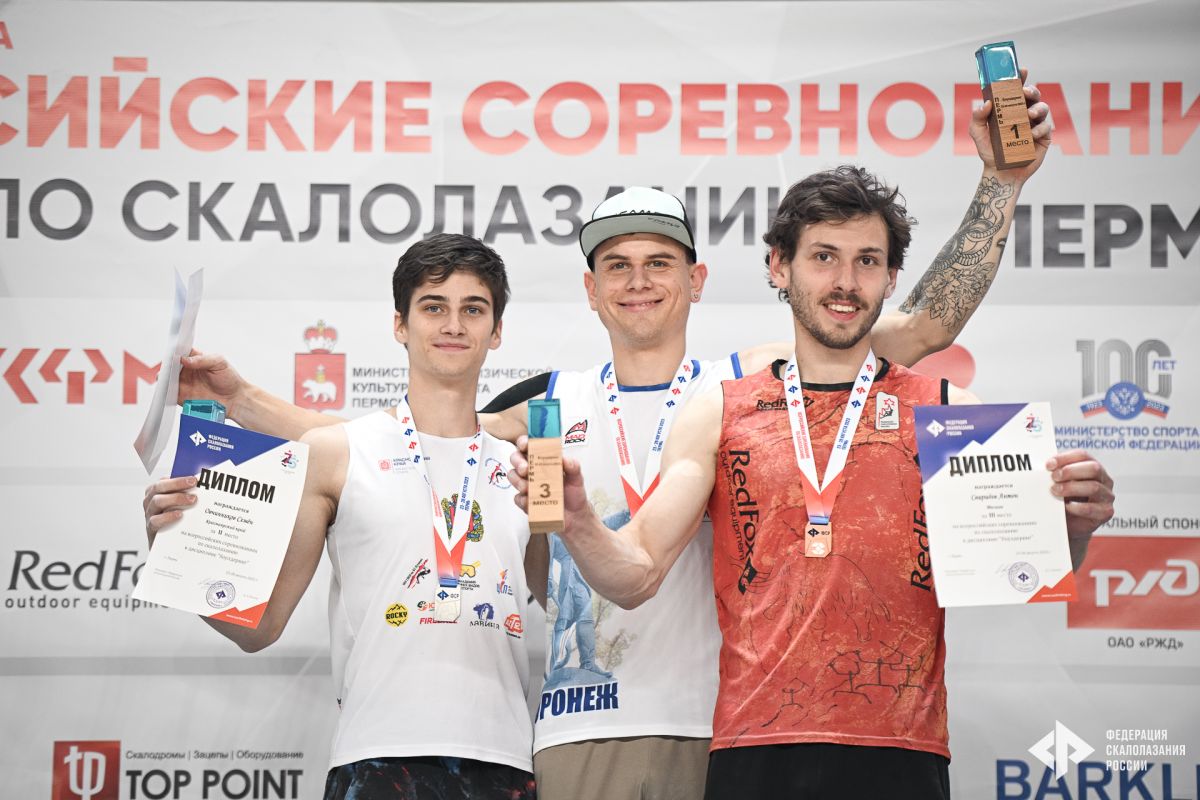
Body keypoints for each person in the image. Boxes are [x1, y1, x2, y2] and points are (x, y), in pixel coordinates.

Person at [145, 74, 1054, 800]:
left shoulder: (750, 382)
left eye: (660, 263)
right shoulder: (549, 404)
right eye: (616, 266)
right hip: (576, 728)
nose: (638, 282)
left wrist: (1000, 184)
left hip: (715, 726)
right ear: (590, 290)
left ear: (697, 279)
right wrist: (245, 400)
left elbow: (923, 325)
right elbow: (401, 444)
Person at [507, 165, 1116, 800]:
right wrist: (578, 521)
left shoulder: (947, 412)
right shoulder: (721, 410)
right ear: (780, 267)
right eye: (824, 257)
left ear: (891, 278)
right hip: (753, 754)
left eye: (867, 261)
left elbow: (1018, 571)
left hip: (902, 753)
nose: (845, 281)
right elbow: (634, 574)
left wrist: (1071, 530)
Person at [144, 235, 537, 799]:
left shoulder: (527, 464)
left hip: (505, 759)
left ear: (496, 331)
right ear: (400, 325)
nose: (453, 324)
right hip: (375, 758)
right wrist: (175, 550)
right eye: (433, 307)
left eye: (473, 309)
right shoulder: (337, 452)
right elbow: (258, 628)